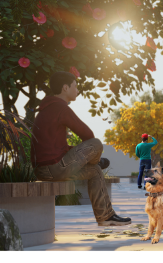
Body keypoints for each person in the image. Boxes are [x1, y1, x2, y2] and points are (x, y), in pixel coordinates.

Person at [32, 71, 131, 226]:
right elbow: (88, 135)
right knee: (96, 143)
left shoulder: (46, 108)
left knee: (95, 171)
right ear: (65, 88)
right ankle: (97, 162)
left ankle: (106, 216)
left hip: (44, 169)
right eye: (75, 86)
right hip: (54, 168)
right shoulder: (60, 107)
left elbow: (55, 147)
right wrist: (90, 157)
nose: (77, 90)